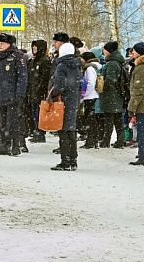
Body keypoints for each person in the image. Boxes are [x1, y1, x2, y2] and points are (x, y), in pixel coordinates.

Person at [0, 33, 29, 156]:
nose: (0, 46)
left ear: (9, 44)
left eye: (2, 44)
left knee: (13, 122)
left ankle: (15, 145)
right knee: (2, 121)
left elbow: (22, 78)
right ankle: (4, 144)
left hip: (12, 95)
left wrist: (20, 95)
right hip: (0, 95)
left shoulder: (17, 57)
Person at [50, 43, 82, 171]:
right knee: (71, 129)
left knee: (62, 130)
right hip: (73, 100)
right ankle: (73, 160)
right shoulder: (77, 64)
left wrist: (52, 94)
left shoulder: (61, 65)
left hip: (62, 101)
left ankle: (65, 160)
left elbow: (59, 85)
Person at [98, 41, 126, 148]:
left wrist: (101, 86)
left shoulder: (112, 64)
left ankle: (106, 141)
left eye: (104, 50)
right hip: (117, 95)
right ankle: (120, 141)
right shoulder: (117, 62)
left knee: (109, 120)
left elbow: (110, 80)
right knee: (118, 120)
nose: (103, 52)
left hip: (111, 96)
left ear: (109, 51)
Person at [26, 40, 52, 143]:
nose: (34, 49)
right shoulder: (33, 61)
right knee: (33, 113)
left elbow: (44, 78)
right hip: (32, 91)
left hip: (39, 93)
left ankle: (40, 133)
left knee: (39, 113)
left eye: (36, 47)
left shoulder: (44, 61)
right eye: (33, 47)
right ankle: (35, 131)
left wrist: (39, 90)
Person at [79, 52, 102, 149]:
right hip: (93, 96)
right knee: (92, 121)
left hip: (90, 96)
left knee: (90, 120)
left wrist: (84, 95)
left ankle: (91, 141)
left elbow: (90, 83)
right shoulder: (94, 67)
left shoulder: (89, 68)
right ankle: (93, 140)